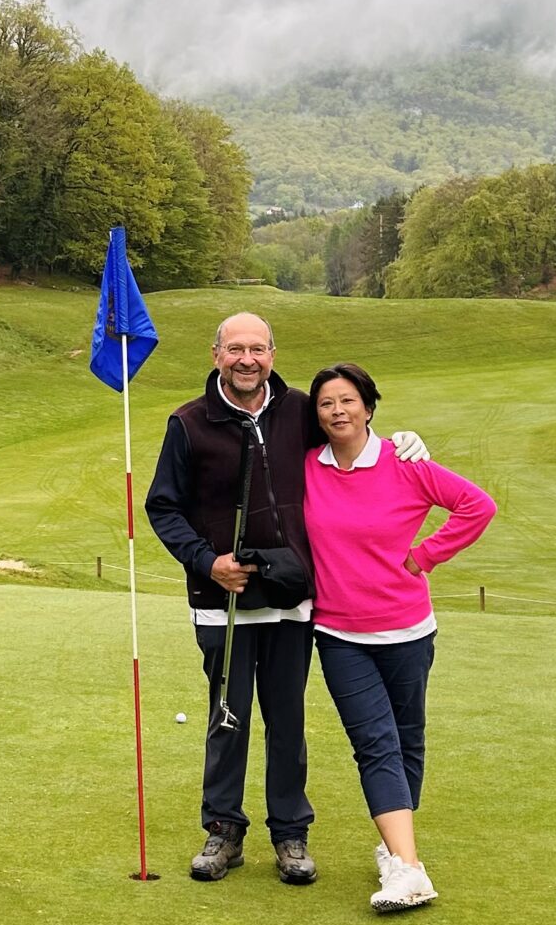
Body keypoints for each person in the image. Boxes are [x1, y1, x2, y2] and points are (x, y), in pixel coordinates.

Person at [145, 311, 429, 887]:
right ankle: (224, 829)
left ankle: (290, 832)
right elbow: (163, 507)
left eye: (257, 349)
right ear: (216, 354)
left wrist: (402, 441)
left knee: (288, 719)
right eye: (235, 349)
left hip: (292, 599)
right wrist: (207, 561)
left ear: (272, 354)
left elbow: (351, 437)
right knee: (227, 717)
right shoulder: (189, 423)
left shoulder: (299, 409)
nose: (246, 359)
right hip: (223, 600)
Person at [304, 362, 495, 913]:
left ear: (368, 407)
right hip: (339, 632)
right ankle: (409, 870)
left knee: (407, 738)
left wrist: (425, 555)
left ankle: (397, 852)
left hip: (408, 629)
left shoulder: (405, 462)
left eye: (348, 400)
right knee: (375, 742)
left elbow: (477, 506)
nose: (337, 411)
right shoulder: (307, 467)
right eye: (326, 403)